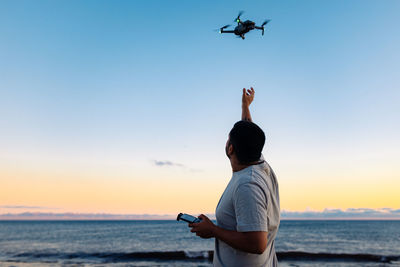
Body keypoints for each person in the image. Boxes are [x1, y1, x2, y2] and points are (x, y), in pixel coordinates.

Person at [189, 87, 280, 267]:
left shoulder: (248, 185)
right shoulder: (260, 164)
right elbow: (248, 133)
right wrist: (245, 106)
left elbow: (257, 243)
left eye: (228, 139)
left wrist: (213, 230)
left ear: (230, 148)